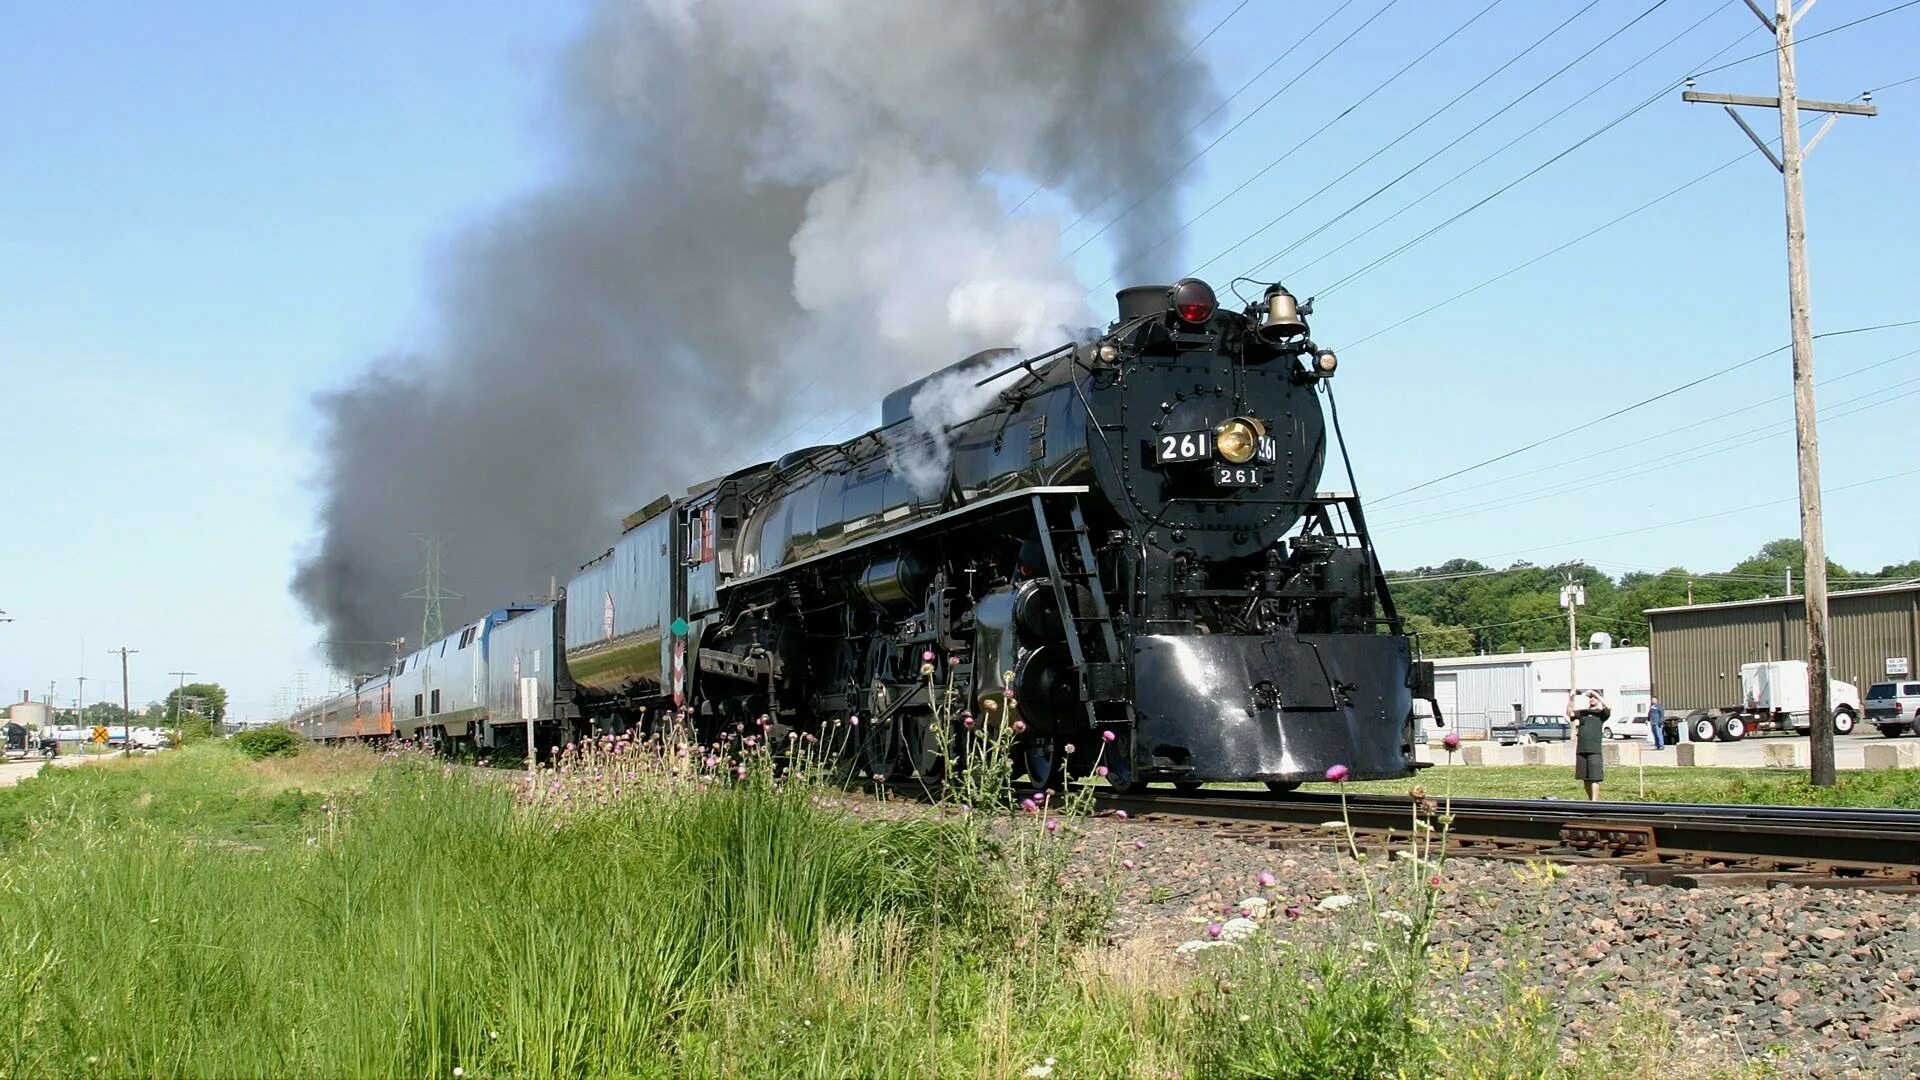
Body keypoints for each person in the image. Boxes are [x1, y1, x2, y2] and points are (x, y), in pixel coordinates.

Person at [1569, 690, 1610, 801]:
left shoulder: (1601, 714)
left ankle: (1595, 801)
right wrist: (1571, 698)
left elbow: (1609, 707)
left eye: (1594, 697)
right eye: (1590, 697)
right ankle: (1589, 800)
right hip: (1581, 749)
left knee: (1594, 778)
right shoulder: (1583, 712)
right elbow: (1570, 713)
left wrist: (1597, 694)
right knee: (1585, 778)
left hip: (1594, 750)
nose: (1592, 699)